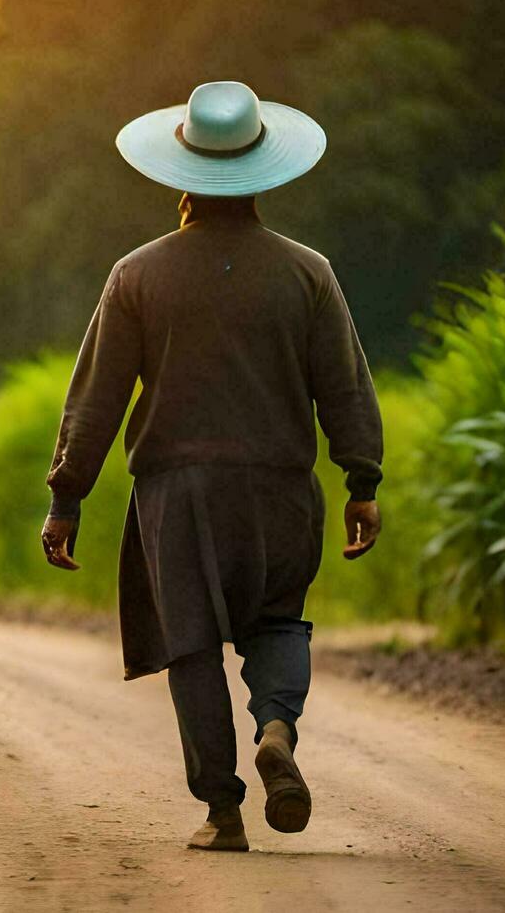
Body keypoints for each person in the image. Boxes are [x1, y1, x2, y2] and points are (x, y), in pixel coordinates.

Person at [39, 81, 383, 852]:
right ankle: (276, 727)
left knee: (189, 641)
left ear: (180, 174)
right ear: (264, 170)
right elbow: (346, 384)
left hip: (178, 493)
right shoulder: (309, 273)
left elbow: (96, 397)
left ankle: (223, 812)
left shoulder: (137, 275)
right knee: (279, 621)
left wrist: (67, 498)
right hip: (282, 489)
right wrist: (363, 481)